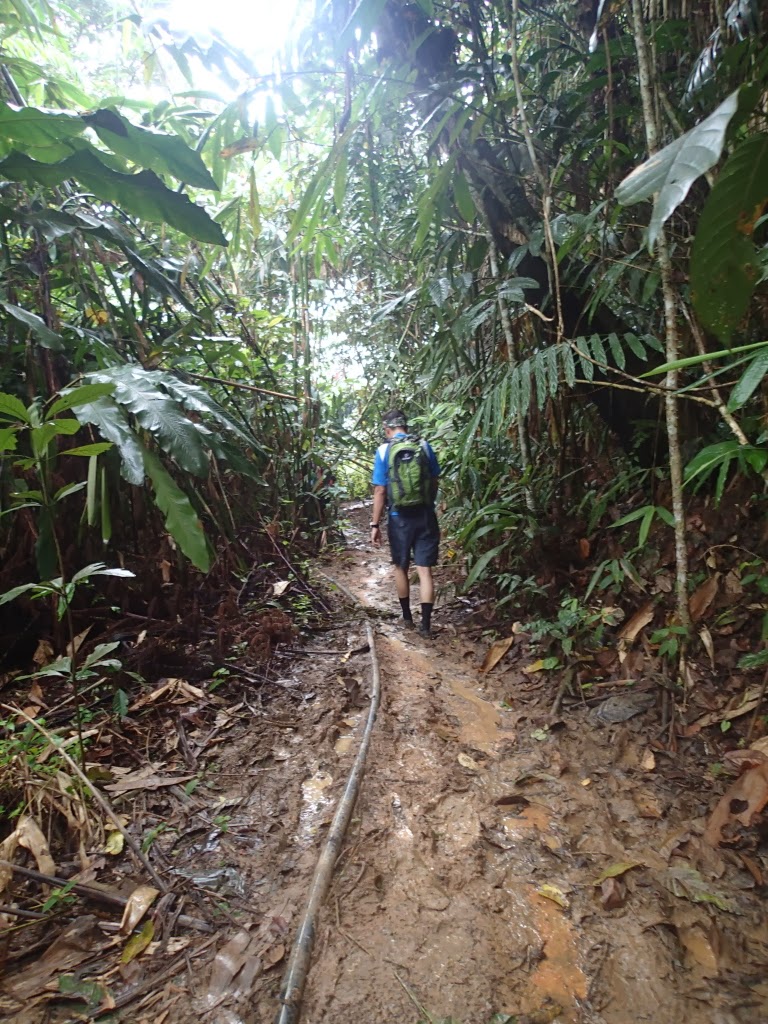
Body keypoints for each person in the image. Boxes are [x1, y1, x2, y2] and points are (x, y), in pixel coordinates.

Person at [370, 409, 441, 637]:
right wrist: (428, 503)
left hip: (398, 518)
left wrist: (375, 524)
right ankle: (426, 626)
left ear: (387, 429)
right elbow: (434, 480)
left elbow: (380, 490)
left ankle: (408, 619)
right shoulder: (425, 446)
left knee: (401, 567)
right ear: (406, 426)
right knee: (424, 570)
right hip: (425, 515)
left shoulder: (384, 450)